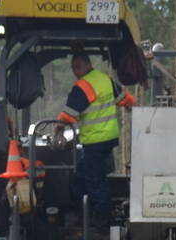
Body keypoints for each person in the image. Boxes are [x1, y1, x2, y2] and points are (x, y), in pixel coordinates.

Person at [58, 53, 136, 228]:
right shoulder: (105, 79)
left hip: (95, 140)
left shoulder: (83, 86)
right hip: (108, 138)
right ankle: (84, 210)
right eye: (73, 68)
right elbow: (124, 98)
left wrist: (58, 129)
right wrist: (134, 106)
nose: (75, 71)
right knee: (80, 176)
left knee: (95, 180)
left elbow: (68, 113)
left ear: (87, 64)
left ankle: (102, 218)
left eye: (78, 66)